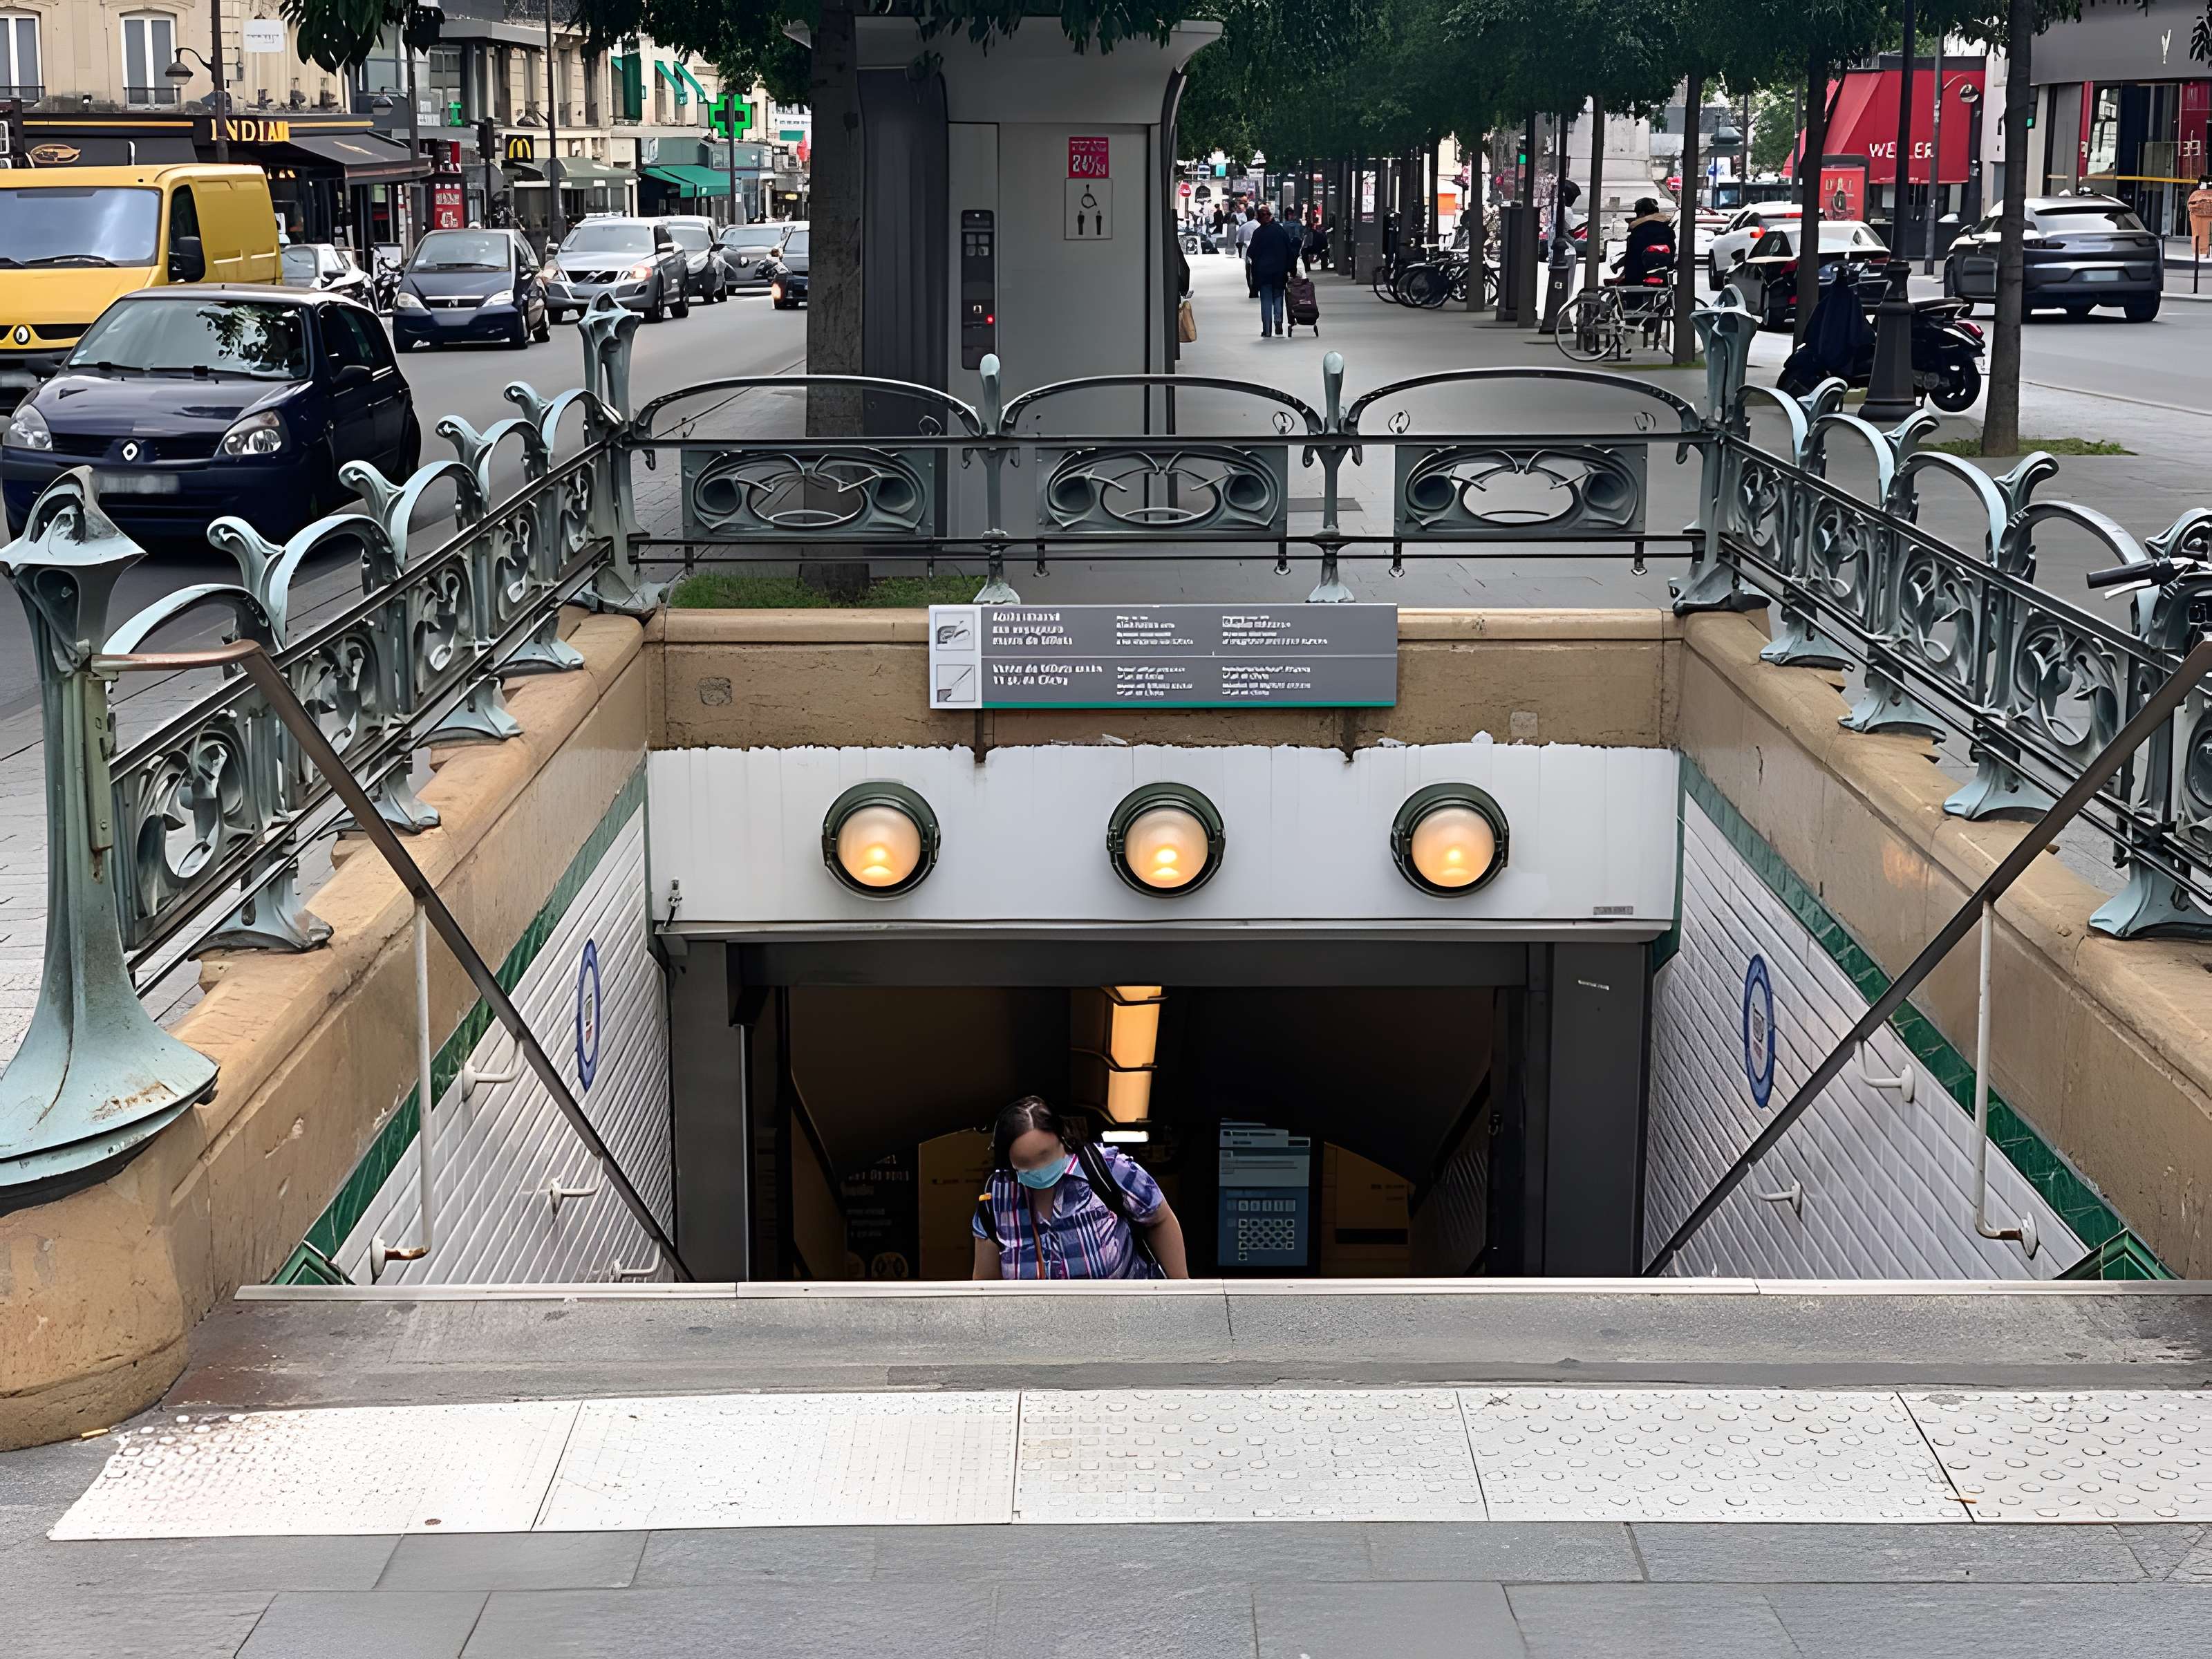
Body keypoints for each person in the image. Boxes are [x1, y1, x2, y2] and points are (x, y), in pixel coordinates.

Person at [971, 1097, 1190, 1280]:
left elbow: (1159, 1218)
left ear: (1063, 1139)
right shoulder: (997, 1198)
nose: (1038, 1169)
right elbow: (986, 1288)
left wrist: (1181, 1291)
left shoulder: (1106, 1168)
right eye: (1025, 1163)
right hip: (1041, 1320)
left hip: (1126, 1316)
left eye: (1045, 1155)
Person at [1246, 204, 1300, 336]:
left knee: (1266, 300)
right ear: (1270, 216)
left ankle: (1267, 330)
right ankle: (1278, 323)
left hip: (1263, 273)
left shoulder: (1258, 233)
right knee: (1278, 297)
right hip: (1279, 271)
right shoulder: (1280, 231)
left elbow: (1251, 253)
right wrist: (1291, 269)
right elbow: (1289, 251)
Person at [1614, 197, 1675, 285]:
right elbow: (1672, 253)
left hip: (1638, 279)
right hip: (1664, 277)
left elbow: (1632, 257)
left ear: (1642, 214)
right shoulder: (1667, 229)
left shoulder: (1638, 230)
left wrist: (1622, 272)